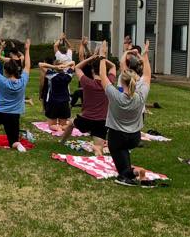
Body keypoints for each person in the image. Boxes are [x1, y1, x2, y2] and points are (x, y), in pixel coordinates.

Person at [101, 40, 152, 186]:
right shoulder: (141, 94)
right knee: (123, 155)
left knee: (121, 171)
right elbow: (147, 75)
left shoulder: (115, 95)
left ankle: (131, 174)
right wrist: (145, 54)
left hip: (117, 137)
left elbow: (102, 76)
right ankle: (134, 171)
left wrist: (102, 56)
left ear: (121, 81)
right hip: (134, 137)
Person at [61, 48, 115, 155]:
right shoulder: (109, 83)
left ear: (92, 71)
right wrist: (102, 58)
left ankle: (62, 141)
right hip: (102, 122)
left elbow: (77, 67)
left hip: (86, 119)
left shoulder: (87, 82)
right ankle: (98, 155)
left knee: (71, 123)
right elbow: (113, 66)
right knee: (98, 147)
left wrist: (91, 58)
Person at [39, 60, 74, 131]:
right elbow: (73, 63)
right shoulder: (68, 75)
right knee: (63, 125)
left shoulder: (52, 75)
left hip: (53, 102)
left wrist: (54, 67)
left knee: (52, 125)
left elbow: (40, 64)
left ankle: (58, 129)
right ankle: (62, 128)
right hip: (65, 102)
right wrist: (65, 66)